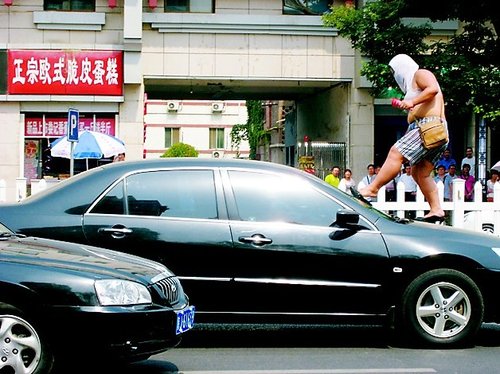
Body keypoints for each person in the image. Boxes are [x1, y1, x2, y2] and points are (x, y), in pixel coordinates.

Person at [356, 54, 448, 222]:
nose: (394, 74)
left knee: (395, 153)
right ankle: (436, 209)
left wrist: (411, 103)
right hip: (430, 129)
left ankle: (372, 189)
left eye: (394, 70)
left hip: (428, 126)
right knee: (419, 172)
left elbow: (432, 89)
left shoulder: (420, 73)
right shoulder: (411, 86)